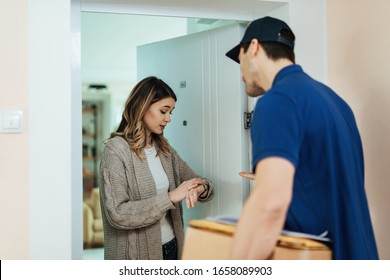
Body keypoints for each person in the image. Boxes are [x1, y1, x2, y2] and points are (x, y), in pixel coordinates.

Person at [225, 16, 378, 260]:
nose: (241, 73)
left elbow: (271, 204)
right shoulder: (335, 102)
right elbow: (329, 179)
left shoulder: (276, 102)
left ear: (253, 47)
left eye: (240, 59)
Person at [99, 76, 214, 260]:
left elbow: (204, 183)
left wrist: (200, 188)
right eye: (163, 111)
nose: (168, 118)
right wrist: (170, 197)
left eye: (171, 112)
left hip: (172, 248)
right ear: (142, 107)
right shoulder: (116, 150)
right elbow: (117, 214)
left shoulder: (165, 150)